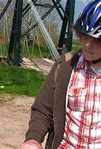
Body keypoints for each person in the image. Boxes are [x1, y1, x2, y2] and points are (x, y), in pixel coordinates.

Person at [21, 0, 101, 148]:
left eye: (98, 40)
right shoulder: (65, 66)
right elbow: (43, 109)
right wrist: (33, 138)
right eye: (85, 36)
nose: (88, 44)